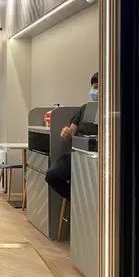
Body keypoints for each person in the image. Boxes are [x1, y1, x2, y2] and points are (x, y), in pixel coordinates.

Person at [45, 72, 99, 200]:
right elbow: (71, 131)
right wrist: (67, 133)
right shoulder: (84, 109)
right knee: (52, 175)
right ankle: (75, 201)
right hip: (77, 156)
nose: (97, 91)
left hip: (96, 159)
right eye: (95, 87)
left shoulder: (111, 112)